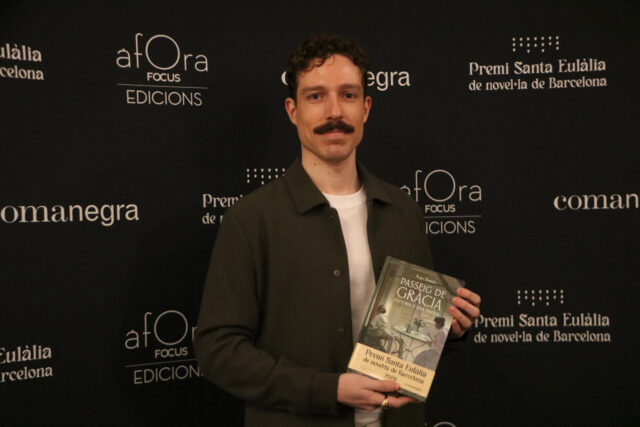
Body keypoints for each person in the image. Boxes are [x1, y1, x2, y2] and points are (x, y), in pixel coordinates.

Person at [194, 33, 481, 427]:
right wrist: (327, 389)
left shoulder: (403, 211)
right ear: (293, 110)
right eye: (316, 96)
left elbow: (415, 342)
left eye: (348, 95)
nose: (334, 112)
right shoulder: (252, 218)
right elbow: (218, 351)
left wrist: (450, 328)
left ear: (365, 108)